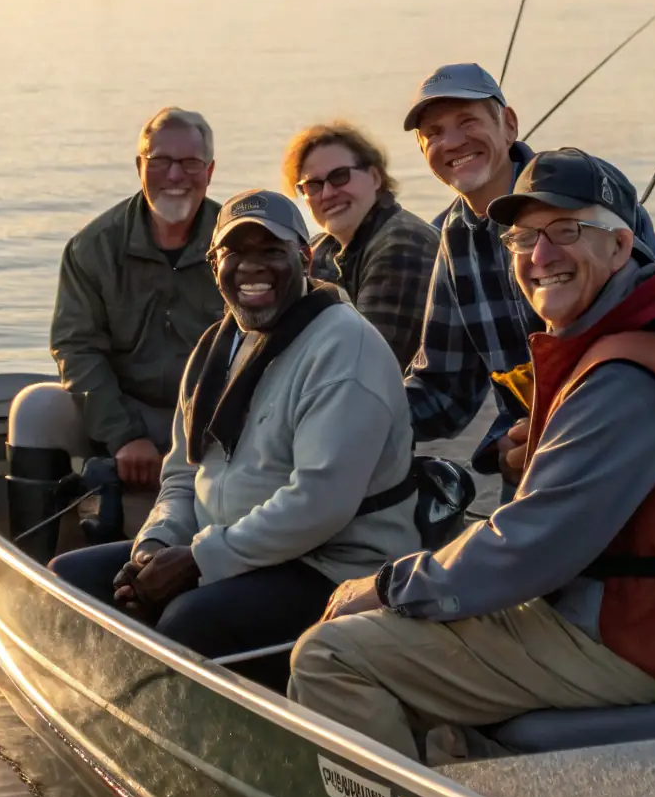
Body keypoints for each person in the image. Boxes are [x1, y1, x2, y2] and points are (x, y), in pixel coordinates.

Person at [288, 148, 655, 760]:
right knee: (426, 609)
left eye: (567, 232)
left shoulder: (624, 373)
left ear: (620, 248)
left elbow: (532, 547)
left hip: (638, 640)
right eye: (524, 238)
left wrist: (389, 584)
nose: (540, 257)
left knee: (331, 657)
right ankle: (466, 775)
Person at [51, 189, 421, 687]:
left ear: (306, 257)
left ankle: (189, 736)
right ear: (214, 264)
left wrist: (198, 562)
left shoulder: (342, 350)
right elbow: (182, 472)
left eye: (271, 251)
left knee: (189, 619)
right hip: (224, 544)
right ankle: (112, 715)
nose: (252, 266)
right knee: (69, 581)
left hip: (331, 565)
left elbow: (319, 503)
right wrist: (154, 546)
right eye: (234, 252)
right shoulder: (217, 346)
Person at [400, 62, 655, 472]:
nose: (451, 142)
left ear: (509, 124)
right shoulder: (453, 235)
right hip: (534, 456)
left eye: (467, 121)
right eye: (433, 133)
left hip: (626, 441)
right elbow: (443, 388)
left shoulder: (588, 189)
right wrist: (352, 418)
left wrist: (559, 431)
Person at [8, 109, 222, 537]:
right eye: (160, 160)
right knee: (34, 407)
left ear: (210, 171)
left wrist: (206, 432)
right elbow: (77, 348)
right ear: (139, 166)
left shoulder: (238, 239)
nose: (175, 175)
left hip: (217, 416)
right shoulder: (93, 247)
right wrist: (124, 436)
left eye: (190, 163)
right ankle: (31, 561)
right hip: (129, 408)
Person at [281, 121, 439, 369]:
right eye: (313, 185)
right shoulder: (323, 247)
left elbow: (364, 362)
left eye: (340, 176)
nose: (327, 193)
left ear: (375, 177)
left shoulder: (402, 245)